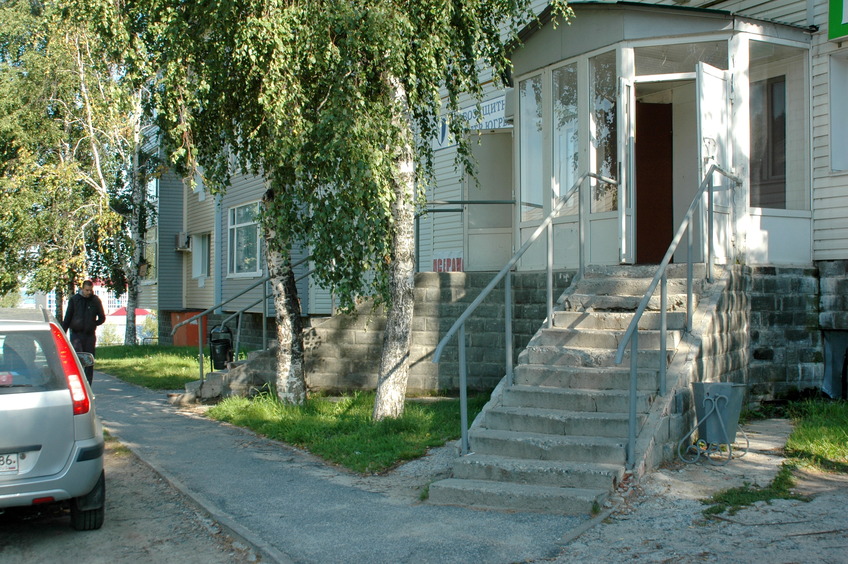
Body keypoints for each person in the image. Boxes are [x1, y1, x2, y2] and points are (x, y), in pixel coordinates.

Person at [62, 280, 106, 384]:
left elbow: (102, 317)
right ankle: (78, 383)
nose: (89, 292)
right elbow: (67, 318)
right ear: (82, 289)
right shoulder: (74, 300)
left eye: (90, 290)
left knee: (89, 361)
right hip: (76, 335)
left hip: (90, 335)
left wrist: (93, 324)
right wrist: (63, 333)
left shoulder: (95, 300)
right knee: (78, 360)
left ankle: (88, 385)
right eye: (87, 290)